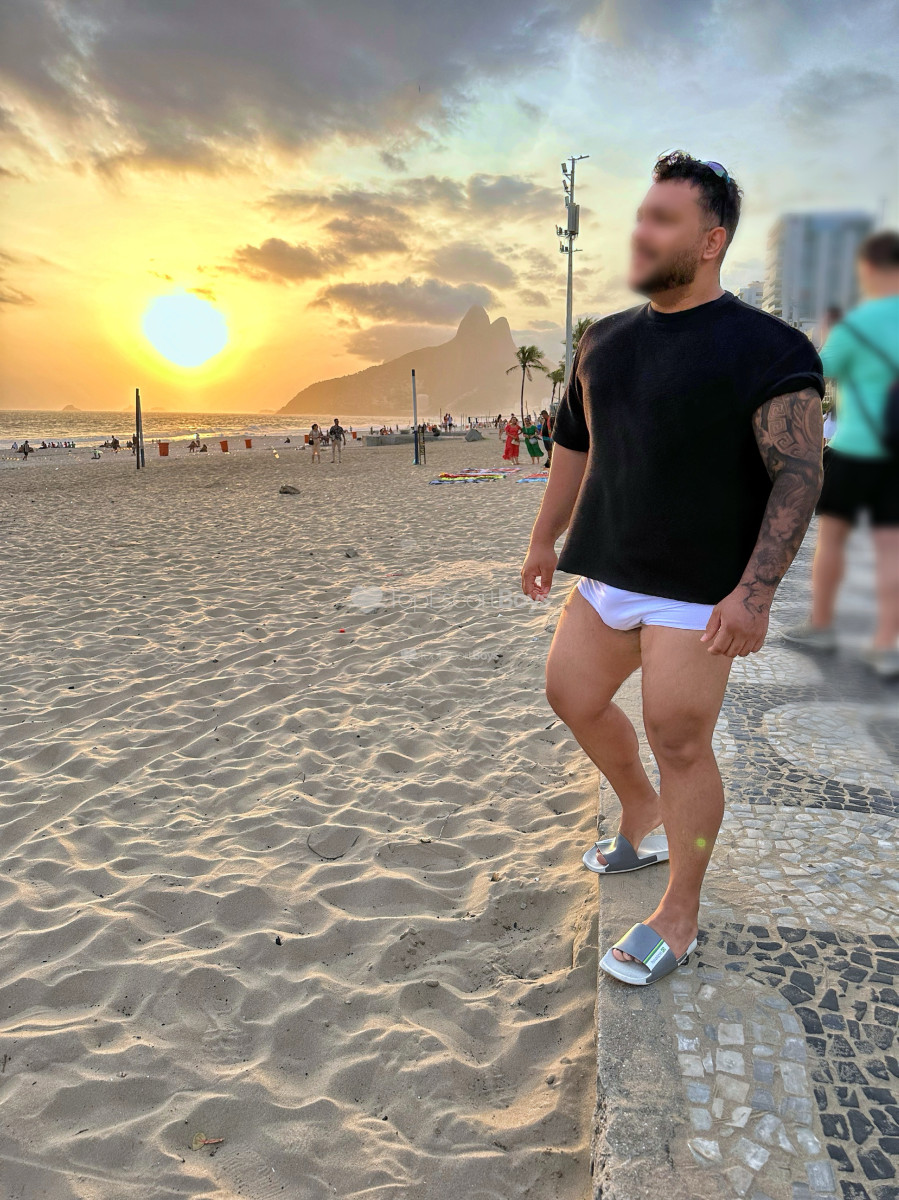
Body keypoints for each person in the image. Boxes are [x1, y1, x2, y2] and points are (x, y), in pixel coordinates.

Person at [521, 151, 824, 987]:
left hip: (697, 589)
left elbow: (799, 474)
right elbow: (572, 446)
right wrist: (544, 538)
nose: (642, 232)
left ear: (710, 240)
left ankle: (678, 912)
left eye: (663, 220)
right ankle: (640, 809)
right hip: (607, 571)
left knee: (680, 739)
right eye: (642, 216)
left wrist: (753, 594)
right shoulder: (602, 340)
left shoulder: (769, 347)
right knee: (571, 694)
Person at [783, 230, 899, 677]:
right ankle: (886, 644)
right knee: (891, 545)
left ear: (868, 269)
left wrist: (828, 337)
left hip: (855, 449)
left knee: (832, 538)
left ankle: (823, 624)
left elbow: (816, 368)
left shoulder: (859, 323)